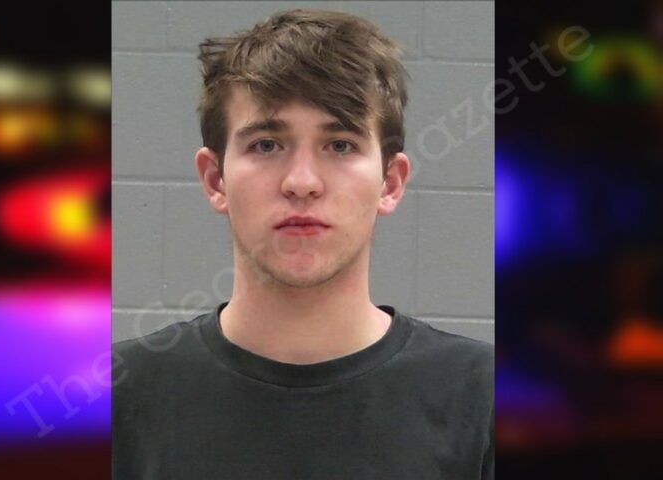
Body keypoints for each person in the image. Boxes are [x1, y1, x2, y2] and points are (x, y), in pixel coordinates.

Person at [113, 9, 493, 479]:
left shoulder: (483, 398)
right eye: (266, 145)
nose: (302, 182)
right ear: (215, 180)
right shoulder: (119, 399)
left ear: (390, 183)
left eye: (340, 145)